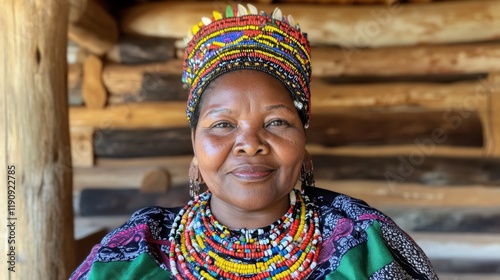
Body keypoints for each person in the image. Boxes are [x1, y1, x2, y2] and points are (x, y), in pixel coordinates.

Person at [71, 4, 438, 279]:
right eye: (223, 124)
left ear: (304, 145)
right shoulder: (134, 253)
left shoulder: (365, 244)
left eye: (277, 121)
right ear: (195, 145)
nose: (250, 143)